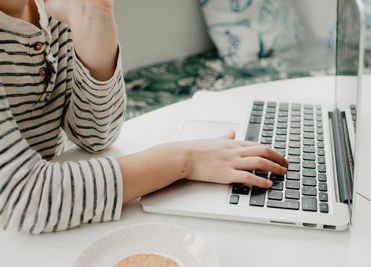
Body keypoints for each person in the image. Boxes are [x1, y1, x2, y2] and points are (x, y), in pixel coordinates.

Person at [0, 0, 288, 234]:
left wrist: (94, 22)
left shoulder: (52, 10)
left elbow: (95, 135)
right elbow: (23, 196)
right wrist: (184, 160)